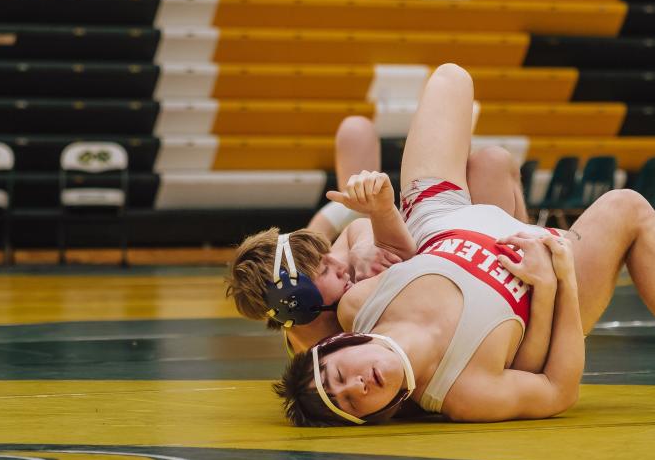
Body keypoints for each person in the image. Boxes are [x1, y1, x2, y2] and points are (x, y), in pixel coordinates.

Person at [274, 64, 655, 426]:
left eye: (342, 377)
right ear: (378, 412)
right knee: (626, 205)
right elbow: (558, 389)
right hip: (539, 281)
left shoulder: (354, 306)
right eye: (354, 402)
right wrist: (559, 281)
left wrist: (376, 219)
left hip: (442, 221)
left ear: (344, 345)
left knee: (451, 79)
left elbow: (355, 263)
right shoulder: (466, 393)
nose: (357, 385)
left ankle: (489, 176)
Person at [225, 115, 531, 355]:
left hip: (433, 254)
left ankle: (528, 247)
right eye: (326, 268)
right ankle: (529, 262)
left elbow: (355, 233)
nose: (339, 264)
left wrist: (362, 246)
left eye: (330, 260)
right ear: (297, 301)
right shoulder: (332, 356)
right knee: (493, 162)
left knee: (493, 160)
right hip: (460, 286)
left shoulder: (314, 293)